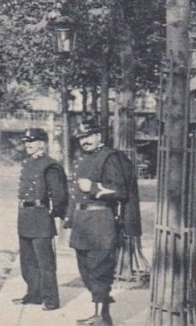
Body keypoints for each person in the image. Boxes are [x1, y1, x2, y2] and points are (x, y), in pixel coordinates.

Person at [64, 119, 129, 326]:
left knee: (100, 270)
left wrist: (92, 187)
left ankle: (102, 316)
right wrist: (70, 222)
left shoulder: (109, 158)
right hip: (82, 223)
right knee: (86, 270)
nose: (86, 141)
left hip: (101, 222)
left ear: (99, 136)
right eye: (82, 138)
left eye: (90, 136)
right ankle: (101, 311)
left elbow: (120, 191)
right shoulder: (83, 159)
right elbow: (74, 196)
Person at [13, 127, 68, 311]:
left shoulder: (50, 165)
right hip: (25, 216)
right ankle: (34, 294)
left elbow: (59, 195)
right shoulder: (27, 163)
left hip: (41, 216)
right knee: (27, 260)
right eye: (26, 142)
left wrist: (51, 215)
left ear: (42, 144)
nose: (27, 145)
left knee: (45, 262)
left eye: (32, 141)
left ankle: (51, 299)